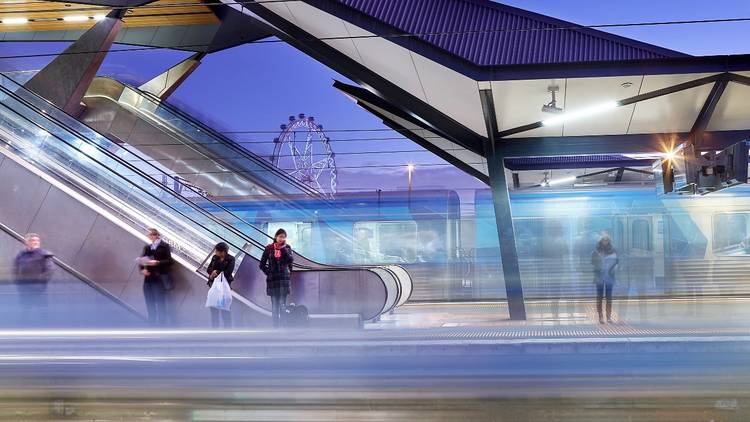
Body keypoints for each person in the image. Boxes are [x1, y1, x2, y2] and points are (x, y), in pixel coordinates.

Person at [13, 233, 54, 322]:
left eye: (37, 240)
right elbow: (15, 270)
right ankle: (24, 331)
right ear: (26, 242)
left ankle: (45, 330)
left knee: (43, 314)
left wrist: (38, 282)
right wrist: (19, 284)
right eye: (33, 240)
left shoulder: (45, 254)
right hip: (25, 290)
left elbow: (49, 271)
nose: (36, 242)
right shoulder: (21, 254)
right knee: (25, 313)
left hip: (39, 290)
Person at [260, 228, 294, 328]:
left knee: (282, 304)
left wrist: (283, 248)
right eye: (280, 236)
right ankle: (275, 327)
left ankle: (283, 326)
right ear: (276, 237)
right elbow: (262, 264)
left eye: (283, 237)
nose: (281, 239)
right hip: (273, 281)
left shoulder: (287, 247)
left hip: (283, 280)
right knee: (275, 305)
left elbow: (290, 260)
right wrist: (269, 273)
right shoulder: (269, 248)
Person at [139, 228, 173, 326]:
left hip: (159, 278)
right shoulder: (148, 247)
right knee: (149, 301)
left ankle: (162, 324)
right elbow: (142, 260)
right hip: (148, 278)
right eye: (149, 235)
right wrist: (142, 269)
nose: (149, 237)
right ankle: (152, 323)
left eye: (151, 235)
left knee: (160, 302)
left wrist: (158, 262)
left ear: (156, 235)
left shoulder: (164, 246)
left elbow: (170, 261)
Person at [206, 242, 235, 328]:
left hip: (224, 287)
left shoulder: (231, 259)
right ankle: (215, 331)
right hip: (214, 286)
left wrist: (216, 272)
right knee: (214, 310)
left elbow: (228, 272)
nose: (215, 253)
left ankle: (227, 331)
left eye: (217, 251)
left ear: (223, 252)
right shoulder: (215, 258)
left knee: (225, 310)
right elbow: (209, 268)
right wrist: (212, 272)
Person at [591, 235, 618, 324]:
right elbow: (593, 262)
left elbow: (617, 262)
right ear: (601, 241)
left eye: (606, 240)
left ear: (609, 241)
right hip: (600, 277)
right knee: (599, 297)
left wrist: (614, 268)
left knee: (609, 297)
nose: (605, 242)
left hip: (609, 277)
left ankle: (608, 316)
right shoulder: (596, 251)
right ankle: (600, 316)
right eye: (603, 240)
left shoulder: (613, 250)